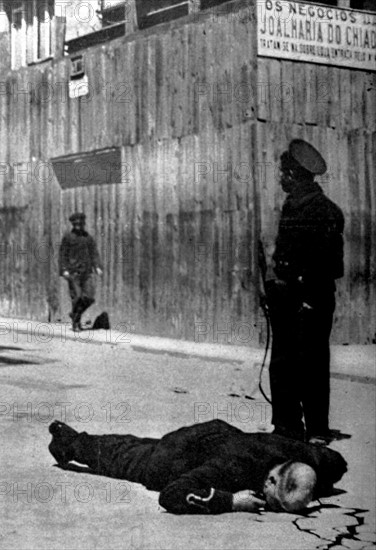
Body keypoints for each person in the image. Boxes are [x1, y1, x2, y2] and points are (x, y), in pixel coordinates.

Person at [48, 419, 347, 515]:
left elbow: (337, 462)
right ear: (268, 481)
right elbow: (171, 495)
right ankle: (69, 442)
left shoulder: (311, 458)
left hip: (214, 435)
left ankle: (69, 436)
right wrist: (231, 500)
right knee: (125, 459)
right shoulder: (232, 468)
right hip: (176, 456)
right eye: (274, 504)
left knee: (135, 444)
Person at [264, 139, 344, 445]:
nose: (280, 178)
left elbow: (331, 264)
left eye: (283, 173)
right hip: (291, 298)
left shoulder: (323, 211)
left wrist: (305, 293)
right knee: (287, 362)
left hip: (310, 299)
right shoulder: (296, 205)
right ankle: (287, 425)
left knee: (309, 363)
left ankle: (316, 430)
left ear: (295, 175)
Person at [59, 212, 103, 331]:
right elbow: (62, 255)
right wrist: (64, 270)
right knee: (77, 297)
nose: (79, 226)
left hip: (86, 271)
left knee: (89, 297)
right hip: (73, 272)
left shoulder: (88, 237)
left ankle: (75, 315)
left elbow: (94, 253)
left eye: (81, 224)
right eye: (76, 224)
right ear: (73, 224)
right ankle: (76, 323)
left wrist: (97, 266)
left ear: (83, 224)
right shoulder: (68, 237)